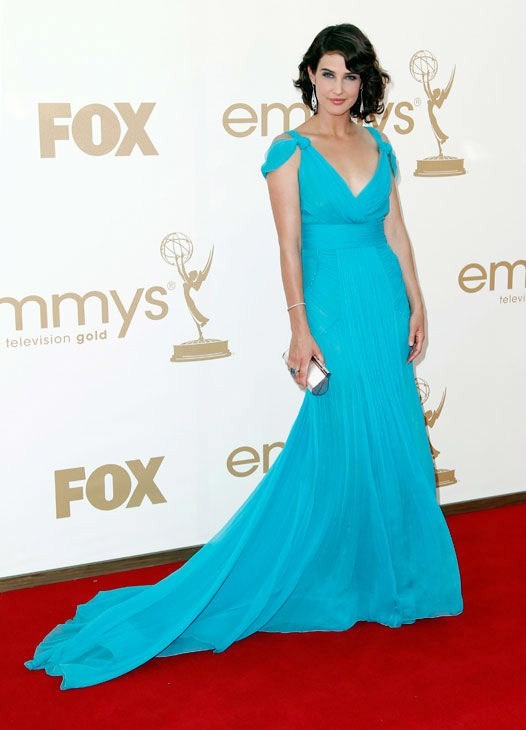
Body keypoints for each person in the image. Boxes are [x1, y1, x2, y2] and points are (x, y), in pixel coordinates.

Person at [24, 23, 463, 690]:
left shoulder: (378, 142)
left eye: (351, 75)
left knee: (397, 438)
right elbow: (288, 248)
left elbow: (394, 227)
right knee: (339, 444)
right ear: (310, 75)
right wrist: (299, 329)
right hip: (332, 313)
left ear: (363, 81)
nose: (339, 87)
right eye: (328, 73)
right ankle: (326, 574)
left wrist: (419, 301)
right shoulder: (289, 150)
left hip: (383, 302)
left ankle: (392, 580)